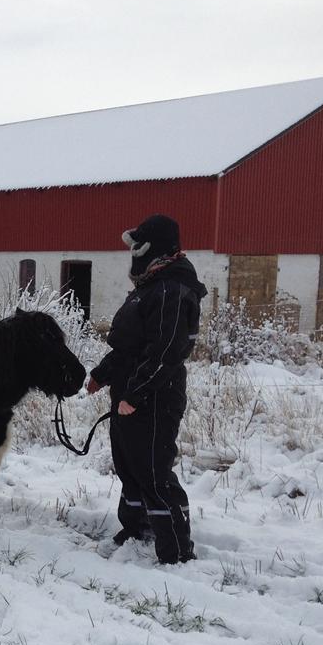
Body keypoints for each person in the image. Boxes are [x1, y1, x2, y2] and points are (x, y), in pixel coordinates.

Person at [86, 214, 207, 564]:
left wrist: (135, 394)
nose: (132, 252)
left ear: (154, 248)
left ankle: (176, 551)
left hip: (154, 397)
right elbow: (128, 348)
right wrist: (102, 375)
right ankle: (137, 528)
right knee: (130, 467)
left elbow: (166, 352)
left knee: (154, 472)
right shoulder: (150, 287)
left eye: (137, 244)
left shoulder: (172, 290)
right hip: (128, 394)